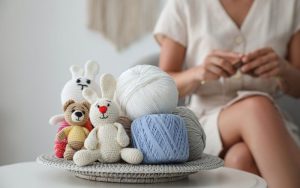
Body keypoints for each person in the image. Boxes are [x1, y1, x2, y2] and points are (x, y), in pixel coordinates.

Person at [154, 0, 300, 187]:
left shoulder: (290, 4)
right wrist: (199, 73)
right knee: (255, 106)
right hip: (206, 121)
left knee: (240, 158)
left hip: (272, 125)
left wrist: (283, 69)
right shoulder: (184, 4)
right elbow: (159, 85)